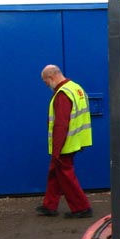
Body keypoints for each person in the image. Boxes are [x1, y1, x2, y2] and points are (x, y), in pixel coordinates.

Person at [36, 65, 93, 219]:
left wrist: (56, 150)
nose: (46, 85)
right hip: (75, 140)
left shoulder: (62, 94)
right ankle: (49, 205)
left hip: (65, 143)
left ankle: (82, 207)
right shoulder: (75, 88)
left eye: (45, 81)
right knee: (55, 172)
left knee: (66, 175)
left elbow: (61, 124)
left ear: (51, 77)